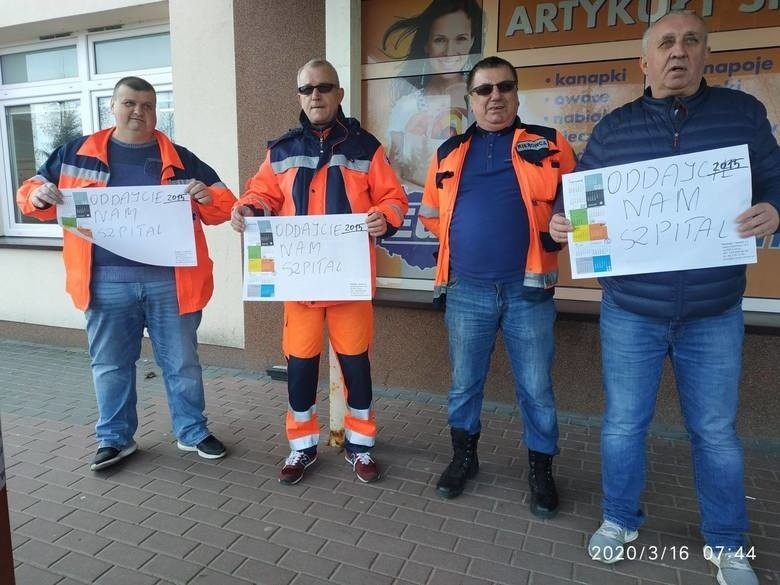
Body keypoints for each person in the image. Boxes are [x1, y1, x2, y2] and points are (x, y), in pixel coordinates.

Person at [549, 11, 780, 585]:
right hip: (631, 309)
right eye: (666, 43)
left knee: (716, 431)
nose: (679, 53)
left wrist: (777, 210)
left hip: (714, 310)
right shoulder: (613, 128)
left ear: (707, 55)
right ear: (645, 61)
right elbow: (581, 204)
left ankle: (727, 544)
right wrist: (565, 224)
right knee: (624, 424)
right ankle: (620, 520)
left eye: (691, 41)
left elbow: (776, 179)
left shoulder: (742, 115)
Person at [17, 76, 236, 471]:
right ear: (113, 107)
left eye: (149, 105)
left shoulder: (183, 158)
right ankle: (115, 439)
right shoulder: (74, 153)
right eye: (130, 103)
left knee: (182, 361)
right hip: (104, 282)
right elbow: (33, 191)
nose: (139, 112)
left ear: (157, 111)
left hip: (172, 282)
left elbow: (224, 206)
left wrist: (208, 197)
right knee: (110, 364)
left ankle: (192, 430)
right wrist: (36, 196)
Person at [231, 59, 408, 485]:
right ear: (299, 96)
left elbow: (394, 198)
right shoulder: (281, 149)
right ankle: (301, 446)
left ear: (339, 94)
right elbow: (261, 194)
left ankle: (360, 445)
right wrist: (247, 208)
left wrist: (385, 215)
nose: (316, 96)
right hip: (301, 284)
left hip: (349, 284)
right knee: (301, 369)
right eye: (307, 89)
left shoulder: (366, 147)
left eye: (324, 88)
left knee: (356, 367)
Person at [419, 56, 576, 515]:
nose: (495, 97)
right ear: (470, 99)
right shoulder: (448, 153)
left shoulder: (550, 144)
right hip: (467, 290)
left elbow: (579, 204)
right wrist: (467, 242)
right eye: (483, 90)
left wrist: (560, 228)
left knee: (536, 388)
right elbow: (431, 216)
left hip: (529, 290)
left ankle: (541, 470)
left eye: (504, 87)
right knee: (464, 385)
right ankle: (463, 459)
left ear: (517, 93)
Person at [382, 0, 483, 188]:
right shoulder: (406, 107)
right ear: (426, 45)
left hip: (469, 210)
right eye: (440, 40)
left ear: (472, 41)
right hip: (420, 211)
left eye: (460, 38)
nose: (450, 51)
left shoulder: (483, 100)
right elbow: (394, 175)